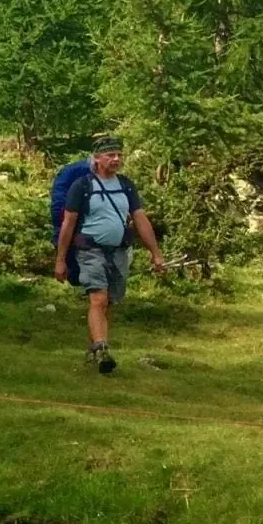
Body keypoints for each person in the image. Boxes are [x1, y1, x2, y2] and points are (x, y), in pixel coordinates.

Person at [54, 136, 165, 373]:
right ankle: (102, 349)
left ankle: (95, 348)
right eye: (110, 155)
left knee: (110, 302)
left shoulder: (126, 185)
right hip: (90, 251)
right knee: (98, 299)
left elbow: (140, 219)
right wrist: (61, 260)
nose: (116, 159)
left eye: (119, 155)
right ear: (97, 158)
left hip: (119, 252)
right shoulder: (82, 186)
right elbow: (68, 224)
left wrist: (155, 253)